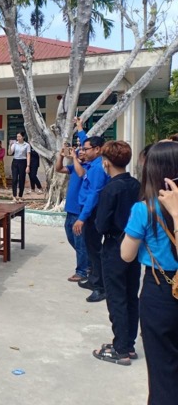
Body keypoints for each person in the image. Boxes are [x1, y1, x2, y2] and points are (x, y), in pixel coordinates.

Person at [121, 141, 178, 403]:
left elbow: (126, 254)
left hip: (160, 290)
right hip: (161, 290)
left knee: (162, 367)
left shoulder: (144, 209)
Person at [92, 141, 140, 366]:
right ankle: (128, 344)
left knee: (116, 298)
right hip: (134, 246)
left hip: (114, 246)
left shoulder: (110, 189)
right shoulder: (136, 185)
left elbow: (101, 224)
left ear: (106, 163)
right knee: (131, 295)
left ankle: (120, 349)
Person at [73, 135, 109, 303]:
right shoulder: (93, 165)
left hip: (93, 214)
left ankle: (101, 287)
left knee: (95, 250)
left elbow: (94, 195)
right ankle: (94, 279)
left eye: (86, 149)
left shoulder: (98, 168)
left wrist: (82, 218)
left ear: (97, 149)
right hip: (89, 211)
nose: (83, 152)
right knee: (90, 247)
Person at [55, 144, 89, 282]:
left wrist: (74, 157)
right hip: (70, 210)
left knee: (80, 243)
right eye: (79, 149)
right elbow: (58, 169)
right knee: (71, 238)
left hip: (80, 212)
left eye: (83, 150)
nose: (80, 152)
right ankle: (88, 263)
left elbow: (81, 173)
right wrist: (61, 156)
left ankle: (82, 271)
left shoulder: (88, 167)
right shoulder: (74, 167)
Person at [9, 133, 31, 203]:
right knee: (14, 179)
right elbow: (10, 153)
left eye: (19, 136)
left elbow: (28, 155)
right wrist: (9, 145)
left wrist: (28, 166)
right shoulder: (15, 144)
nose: (18, 138)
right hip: (15, 161)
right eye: (17, 136)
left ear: (23, 137)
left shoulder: (27, 145)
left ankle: (20, 196)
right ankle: (14, 196)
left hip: (23, 162)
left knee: (22, 179)